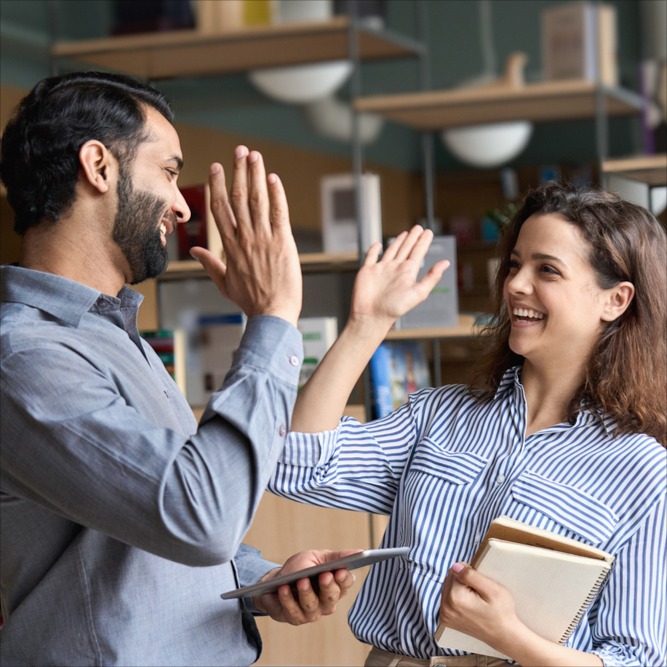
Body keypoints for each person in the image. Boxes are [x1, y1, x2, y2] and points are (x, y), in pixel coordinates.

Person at [0, 70, 361, 666]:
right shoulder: (26, 358)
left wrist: (260, 579)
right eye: (168, 171)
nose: (180, 201)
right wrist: (273, 317)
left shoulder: (114, 334)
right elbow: (202, 516)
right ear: (99, 167)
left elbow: (147, 513)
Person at [268, 183, 667, 666]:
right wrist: (367, 324)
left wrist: (509, 636)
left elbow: (636, 658)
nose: (516, 284)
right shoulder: (437, 414)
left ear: (616, 300)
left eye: (548, 270)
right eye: (516, 264)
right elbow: (295, 466)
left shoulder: (643, 469)